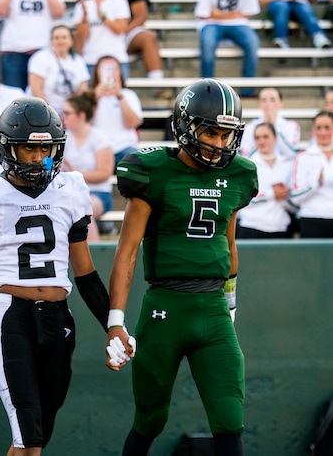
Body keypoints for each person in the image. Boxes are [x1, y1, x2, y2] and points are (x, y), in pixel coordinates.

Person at [0, 97, 112, 455]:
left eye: (45, 148)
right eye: (28, 148)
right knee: (28, 435)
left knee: (36, 437)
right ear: (7, 147)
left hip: (59, 318)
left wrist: (115, 324)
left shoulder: (71, 190)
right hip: (11, 316)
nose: (36, 157)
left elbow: (86, 274)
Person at [106, 79, 258, 455]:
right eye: (211, 132)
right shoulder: (152, 170)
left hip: (213, 310)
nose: (219, 144)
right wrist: (115, 320)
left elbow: (229, 242)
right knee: (150, 419)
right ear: (184, 126)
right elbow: (127, 251)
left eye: (227, 135)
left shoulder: (238, 174)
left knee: (230, 419)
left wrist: (232, 304)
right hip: (165, 310)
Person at [61, 91, 115, 242]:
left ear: (81, 115)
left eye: (67, 113)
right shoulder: (65, 138)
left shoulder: (99, 137)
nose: (63, 117)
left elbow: (105, 173)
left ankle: (93, 259)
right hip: (70, 193)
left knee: (83, 209)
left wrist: (75, 174)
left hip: (99, 193)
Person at [0, 0, 66, 90]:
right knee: (14, 96)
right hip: (13, 51)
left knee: (40, 96)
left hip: (42, 51)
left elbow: (59, 12)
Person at [194, 0, 260, 97]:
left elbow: (247, 14)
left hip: (238, 24)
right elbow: (203, 14)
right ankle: (207, 90)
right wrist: (234, 14)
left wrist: (218, 14)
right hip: (210, 23)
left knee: (252, 42)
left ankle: (248, 90)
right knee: (207, 43)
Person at [236, 123, 295, 238]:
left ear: (275, 138)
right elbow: (242, 197)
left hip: (280, 227)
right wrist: (272, 194)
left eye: (265, 137)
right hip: (251, 226)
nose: (261, 141)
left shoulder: (287, 164)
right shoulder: (246, 165)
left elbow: (294, 201)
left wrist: (284, 196)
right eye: (257, 138)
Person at [90, 55, 143, 164]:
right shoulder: (89, 96)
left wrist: (119, 96)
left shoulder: (129, 95)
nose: (110, 73)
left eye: (113, 68)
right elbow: (85, 124)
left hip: (125, 148)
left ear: (120, 72)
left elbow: (132, 123)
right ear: (97, 73)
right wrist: (95, 99)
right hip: (98, 149)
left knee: (137, 162)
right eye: (105, 69)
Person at [27, 25, 90, 115]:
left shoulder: (78, 61)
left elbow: (82, 88)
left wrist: (70, 112)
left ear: (71, 41)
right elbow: (36, 89)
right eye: (56, 38)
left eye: (64, 37)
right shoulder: (41, 57)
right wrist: (51, 113)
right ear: (51, 41)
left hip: (68, 114)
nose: (61, 41)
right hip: (42, 111)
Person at [290, 111, 333, 237]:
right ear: (313, 130)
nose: (322, 132)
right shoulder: (303, 157)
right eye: (318, 128)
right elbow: (295, 198)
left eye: (327, 127)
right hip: (311, 217)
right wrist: (315, 183)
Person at [71, 0, 131, 77]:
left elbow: (120, 30)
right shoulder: (82, 5)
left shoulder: (119, 2)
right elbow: (82, 36)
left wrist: (102, 17)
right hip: (91, 60)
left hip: (116, 59)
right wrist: (84, 18)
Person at [238, 87, 302, 159]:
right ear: (259, 104)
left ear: (281, 103)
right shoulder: (250, 127)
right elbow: (247, 155)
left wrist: (273, 126)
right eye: (264, 100)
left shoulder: (291, 125)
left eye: (272, 100)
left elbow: (291, 153)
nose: (268, 104)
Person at [258, 0, 331, 49]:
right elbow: (261, 1)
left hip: (299, 5)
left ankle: (319, 37)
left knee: (304, 9)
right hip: (278, 5)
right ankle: (281, 39)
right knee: (282, 6)